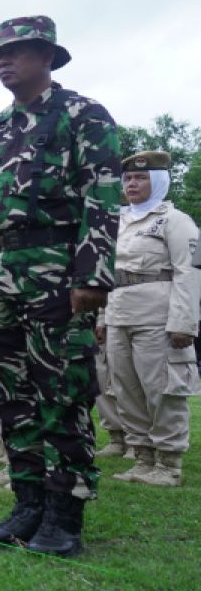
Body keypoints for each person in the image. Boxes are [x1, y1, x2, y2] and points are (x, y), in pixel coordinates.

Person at [0, 16, 120, 557]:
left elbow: (101, 198)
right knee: (11, 394)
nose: (5, 62)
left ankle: (65, 511)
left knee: (63, 390)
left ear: (48, 57)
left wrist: (93, 275)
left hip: (56, 270)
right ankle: (26, 505)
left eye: (18, 53)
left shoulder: (83, 116)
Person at [104, 151, 199, 486]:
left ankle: (168, 464)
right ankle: (142, 457)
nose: (132, 184)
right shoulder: (118, 221)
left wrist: (183, 323)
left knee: (161, 390)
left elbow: (189, 274)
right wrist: (103, 319)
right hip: (118, 313)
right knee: (125, 390)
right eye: (128, 178)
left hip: (158, 317)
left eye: (141, 178)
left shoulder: (176, 221)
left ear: (158, 181)